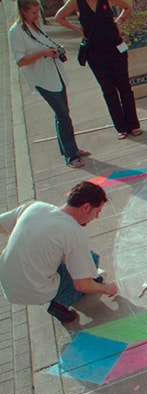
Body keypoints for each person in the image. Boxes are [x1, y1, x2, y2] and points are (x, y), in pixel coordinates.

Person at [0, 181, 119, 324]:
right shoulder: (74, 232)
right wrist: (106, 288)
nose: (96, 217)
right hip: (35, 291)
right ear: (86, 207)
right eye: (97, 211)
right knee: (91, 259)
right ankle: (61, 303)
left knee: (69, 257)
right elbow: (82, 285)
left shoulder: (35, 207)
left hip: (7, 283)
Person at [9, 0, 91, 168]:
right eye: (33, 13)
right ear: (23, 12)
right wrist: (43, 53)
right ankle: (70, 155)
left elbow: (44, 43)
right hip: (42, 79)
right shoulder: (16, 31)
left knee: (63, 113)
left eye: (37, 13)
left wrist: (54, 50)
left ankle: (70, 148)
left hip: (55, 75)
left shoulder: (36, 25)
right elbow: (21, 61)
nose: (36, 16)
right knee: (62, 114)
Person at [55, 0, 141, 140]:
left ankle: (133, 124)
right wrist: (78, 29)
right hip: (95, 52)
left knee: (124, 86)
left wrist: (119, 22)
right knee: (108, 90)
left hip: (115, 47)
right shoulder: (76, 2)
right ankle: (121, 127)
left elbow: (127, 7)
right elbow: (59, 17)